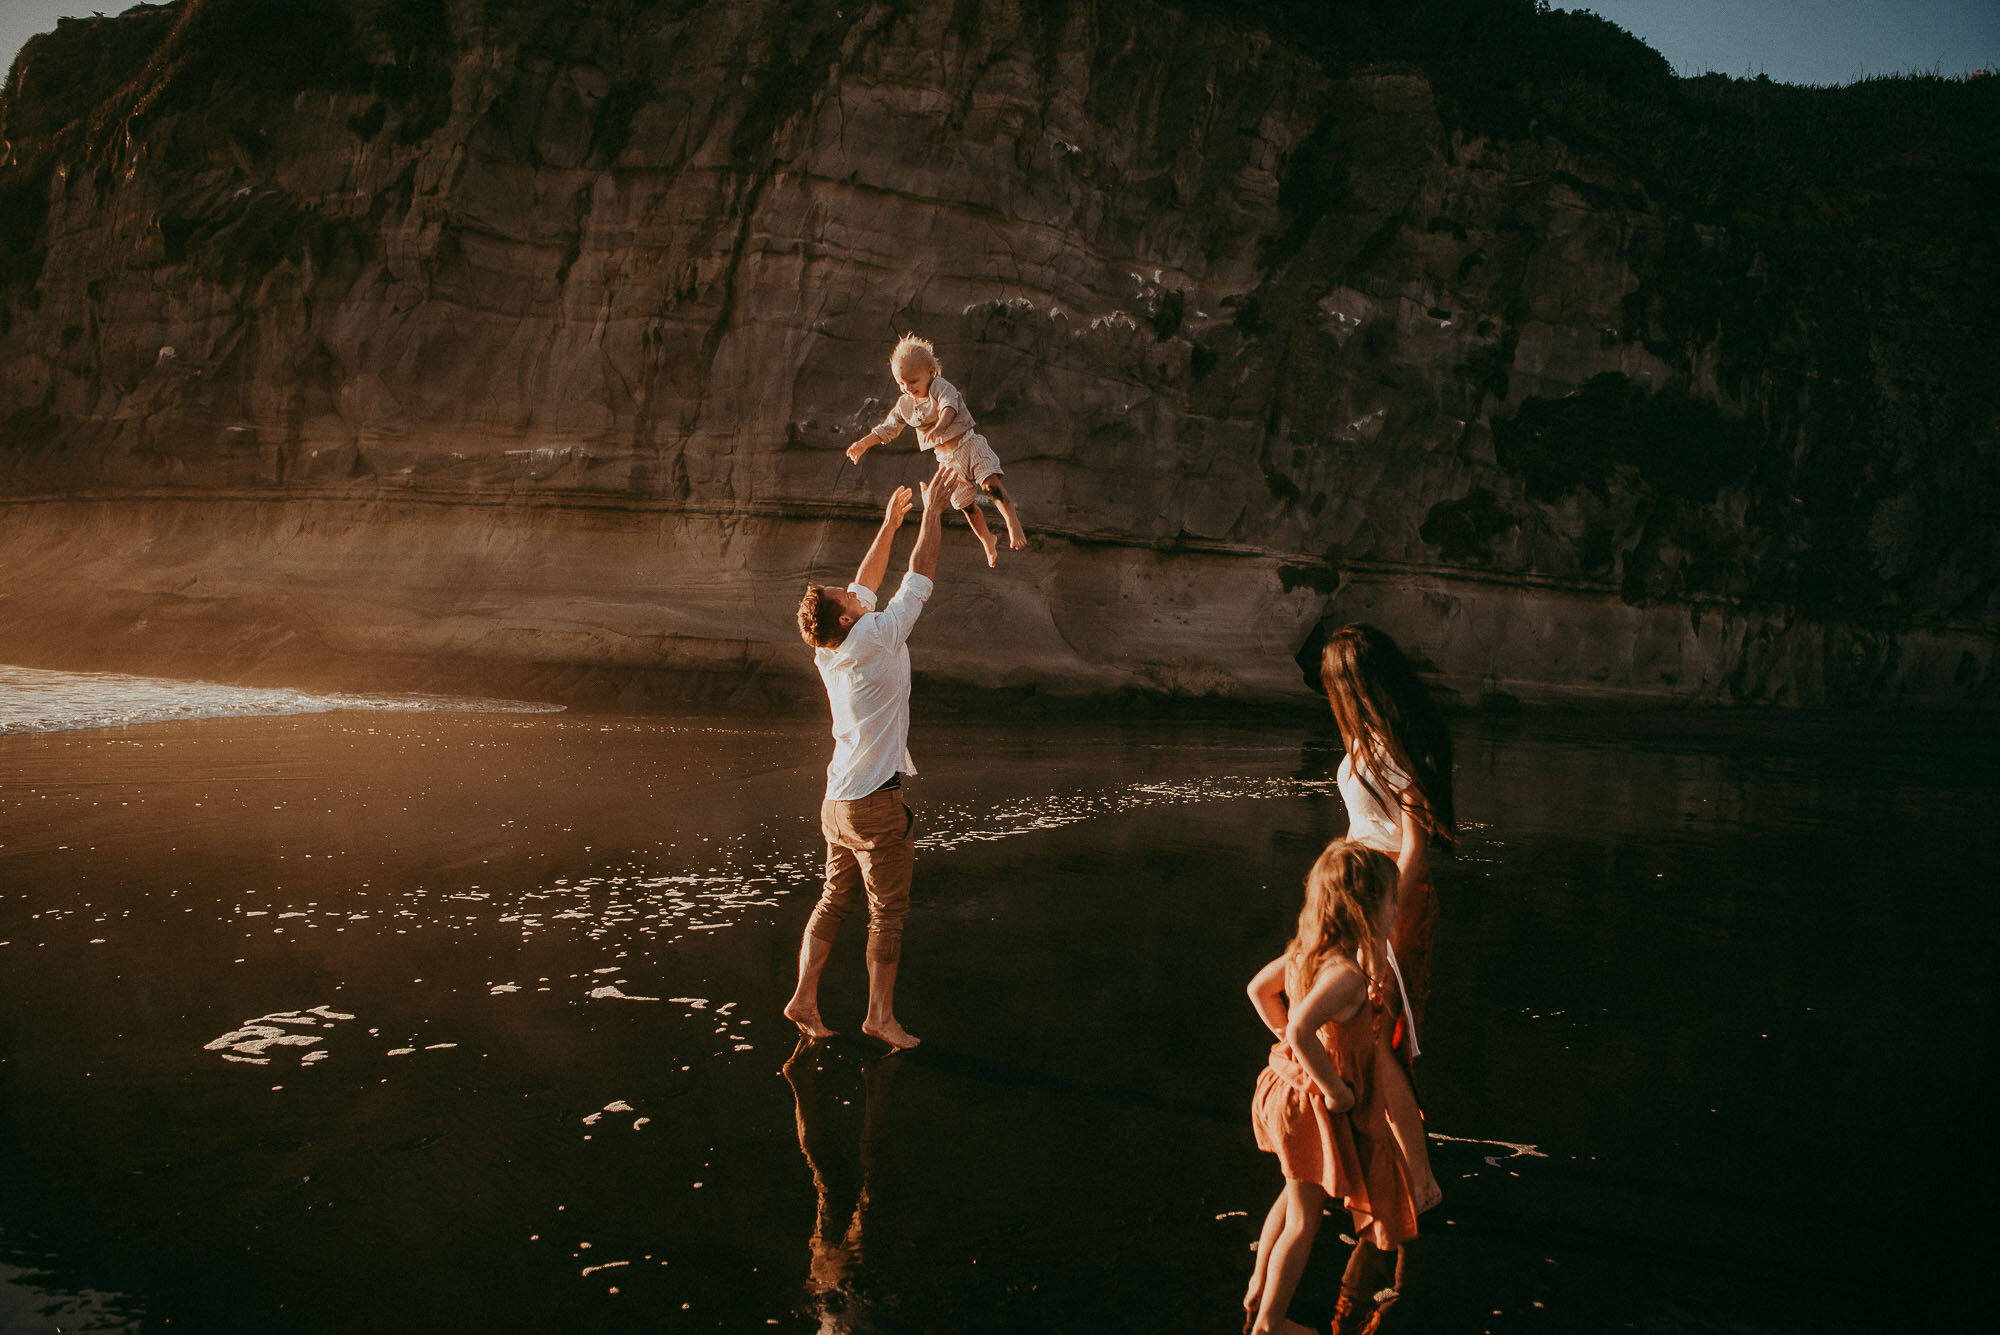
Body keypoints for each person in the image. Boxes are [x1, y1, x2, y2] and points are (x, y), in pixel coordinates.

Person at [783, 456, 955, 1051]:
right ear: (847, 615)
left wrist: (888, 523)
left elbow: (865, 582)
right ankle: (880, 1017)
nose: (849, 589)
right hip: (876, 806)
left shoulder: (827, 648)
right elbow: (919, 576)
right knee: (888, 914)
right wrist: (931, 513)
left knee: (833, 899)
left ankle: (804, 995)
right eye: (842, 594)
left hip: (836, 803)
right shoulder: (879, 635)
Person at [1243, 839, 1441, 1335]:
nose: (1397, 908)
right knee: (1305, 1219)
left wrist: (1290, 1048)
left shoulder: (1305, 953)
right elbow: (1301, 1029)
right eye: (1392, 900)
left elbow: (1259, 990)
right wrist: (1334, 1088)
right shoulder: (1346, 976)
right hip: (1309, 1103)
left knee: (1290, 1199)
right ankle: (1272, 1323)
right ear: (1365, 907)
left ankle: (1256, 1289)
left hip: (1283, 1089)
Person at [1318, 624, 1456, 1056]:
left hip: (1393, 890)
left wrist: (1382, 918)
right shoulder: (1364, 742)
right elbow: (1359, 826)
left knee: (1385, 1025)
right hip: (1359, 888)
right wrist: (1332, 885)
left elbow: (1415, 844)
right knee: (1352, 1019)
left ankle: (1395, 1120)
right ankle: (1359, 1116)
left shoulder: (1402, 750)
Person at [844, 334, 1027, 567]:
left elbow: (949, 407)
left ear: (931, 372)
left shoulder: (940, 387)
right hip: (948, 461)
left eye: (912, 381)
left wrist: (940, 428)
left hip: (969, 445)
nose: (907, 388)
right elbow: (889, 428)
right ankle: (987, 540)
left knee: (990, 486)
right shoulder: (905, 404)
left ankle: (1012, 522)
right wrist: (864, 443)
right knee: (966, 506)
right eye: (901, 383)